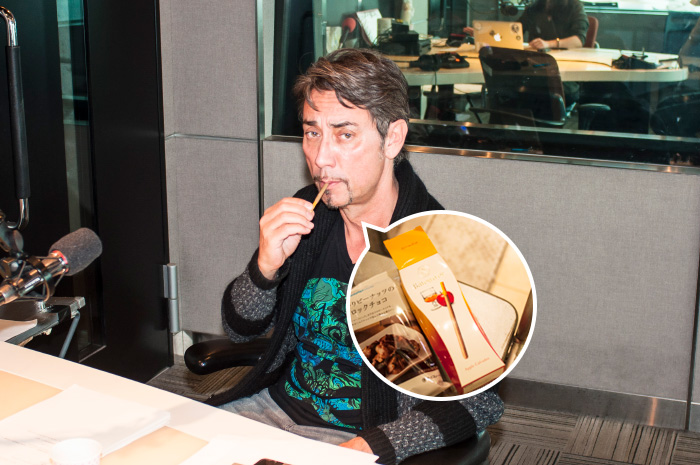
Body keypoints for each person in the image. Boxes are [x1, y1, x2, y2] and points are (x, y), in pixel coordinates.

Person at [214, 48, 504, 465]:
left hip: (363, 437)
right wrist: (264, 268)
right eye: (312, 133)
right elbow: (239, 329)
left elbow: (482, 400)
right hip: (271, 411)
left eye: (344, 134)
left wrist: (368, 449)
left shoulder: (436, 244)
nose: (320, 157)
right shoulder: (309, 214)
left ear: (393, 138)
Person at [518, 0, 588, 50]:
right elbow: (517, 29)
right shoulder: (535, 6)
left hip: (566, 57)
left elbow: (578, 41)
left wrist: (548, 44)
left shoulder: (575, 6)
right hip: (537, 57)